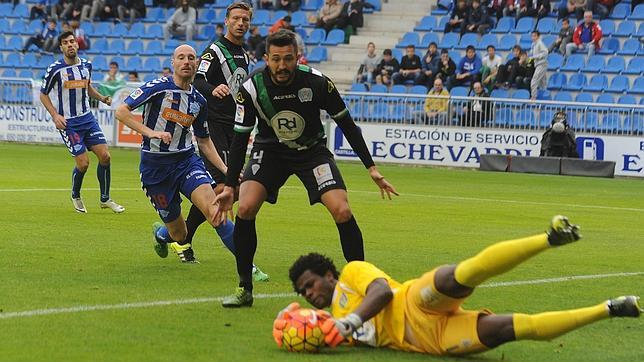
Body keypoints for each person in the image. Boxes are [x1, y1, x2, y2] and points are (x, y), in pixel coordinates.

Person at [215, 30, 398, 307]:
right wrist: (230, 186)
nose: (282, 65)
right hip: (270, 150)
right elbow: (241, 137)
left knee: (342, 210)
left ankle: (362, 283)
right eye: (275, 59)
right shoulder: (252, 88)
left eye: (288, 59)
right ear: (266, 59)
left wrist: (371, 167)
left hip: (311, 152)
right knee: (245, 208)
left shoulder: (318, 83)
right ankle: (245, 288)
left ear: (297, 58)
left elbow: (347, 124)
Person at [282, 216, 641, 356]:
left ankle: (549, 238)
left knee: (461, 274)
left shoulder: (351, 275)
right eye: (304, 294)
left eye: (310, 285)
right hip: (431, 341)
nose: (311, 295)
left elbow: (381, 292)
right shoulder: (335, 323)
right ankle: (610, 308)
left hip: (414, 302)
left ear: (328, 274)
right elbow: (318, 334)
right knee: (513, 329)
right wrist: (301, 327)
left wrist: (347, 322)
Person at [114, 44, 228, 263]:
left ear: (196, 64)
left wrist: (225, 168)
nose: (186, 61)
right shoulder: (157, 88)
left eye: (191, 58)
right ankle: (161, 234)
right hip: (155, 168)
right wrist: (151, 133)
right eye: (181, 57)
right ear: (172, 63)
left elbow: (204, 141)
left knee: (214, 211)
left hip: (186, 162)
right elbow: (121, 111)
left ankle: (248, 268)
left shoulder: (199, 101)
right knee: (180, 234)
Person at [185, 2, 267, 277]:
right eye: (236, 18)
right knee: (224, 185)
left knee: (224, 189)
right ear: (226, 21)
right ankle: (245, 261)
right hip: (214, 126)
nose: (241, 23)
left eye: (245, 19)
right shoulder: (216, 50)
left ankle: (175, 236)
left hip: (236, 129)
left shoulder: (243, 54)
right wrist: (213, 88)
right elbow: (197, 80)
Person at [39, 31, 124, 214]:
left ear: (77, 44)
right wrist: (55, 115)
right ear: (61, 47)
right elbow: (43, 94)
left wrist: (102, 98)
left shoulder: (86, 65)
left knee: (105, 156)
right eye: (65, 43)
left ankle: (105, 199)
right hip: (69, 123)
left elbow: (88, 87)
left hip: (87, 119)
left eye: (72, 41)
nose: (70, 45)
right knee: (83, 163)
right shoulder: (55, 69)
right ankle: (76, 194)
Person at [530, 31, 548, 100]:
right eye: (532, 36)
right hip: (537, 64)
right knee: (543, 84)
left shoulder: (540, 43)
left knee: (534, 81)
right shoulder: (533, 44)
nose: (533, 38)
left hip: (541, 64)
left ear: (538, 36)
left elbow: (545, 52)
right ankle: (544, 99)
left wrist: (536, 57)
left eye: (535, 36)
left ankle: (533, 97)